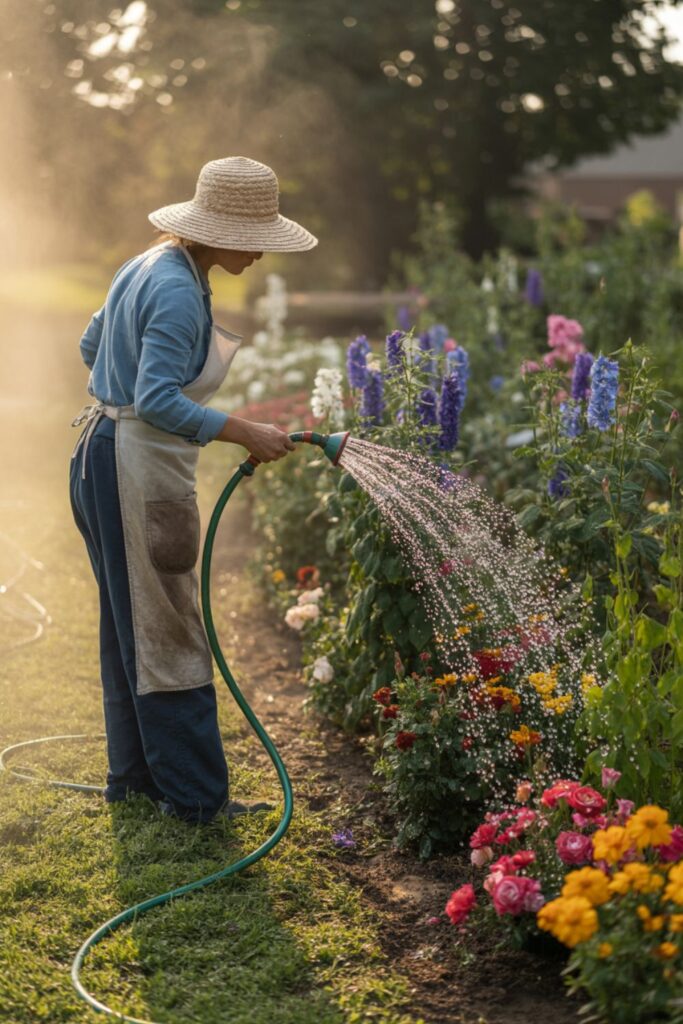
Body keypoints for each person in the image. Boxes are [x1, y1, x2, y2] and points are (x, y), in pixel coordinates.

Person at [69, 156, 318, 823]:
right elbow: (154, 400)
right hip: (131, 470)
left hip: (97, 454)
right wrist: (240, 430)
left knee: (131, 626)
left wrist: (116, 403)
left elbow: (92, 343)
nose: (263, 250)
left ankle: (137, 781)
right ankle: (194, 799)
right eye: (257, 234)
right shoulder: (178, 290)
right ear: (221, 230)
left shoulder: (148, 265)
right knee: (169, 632)